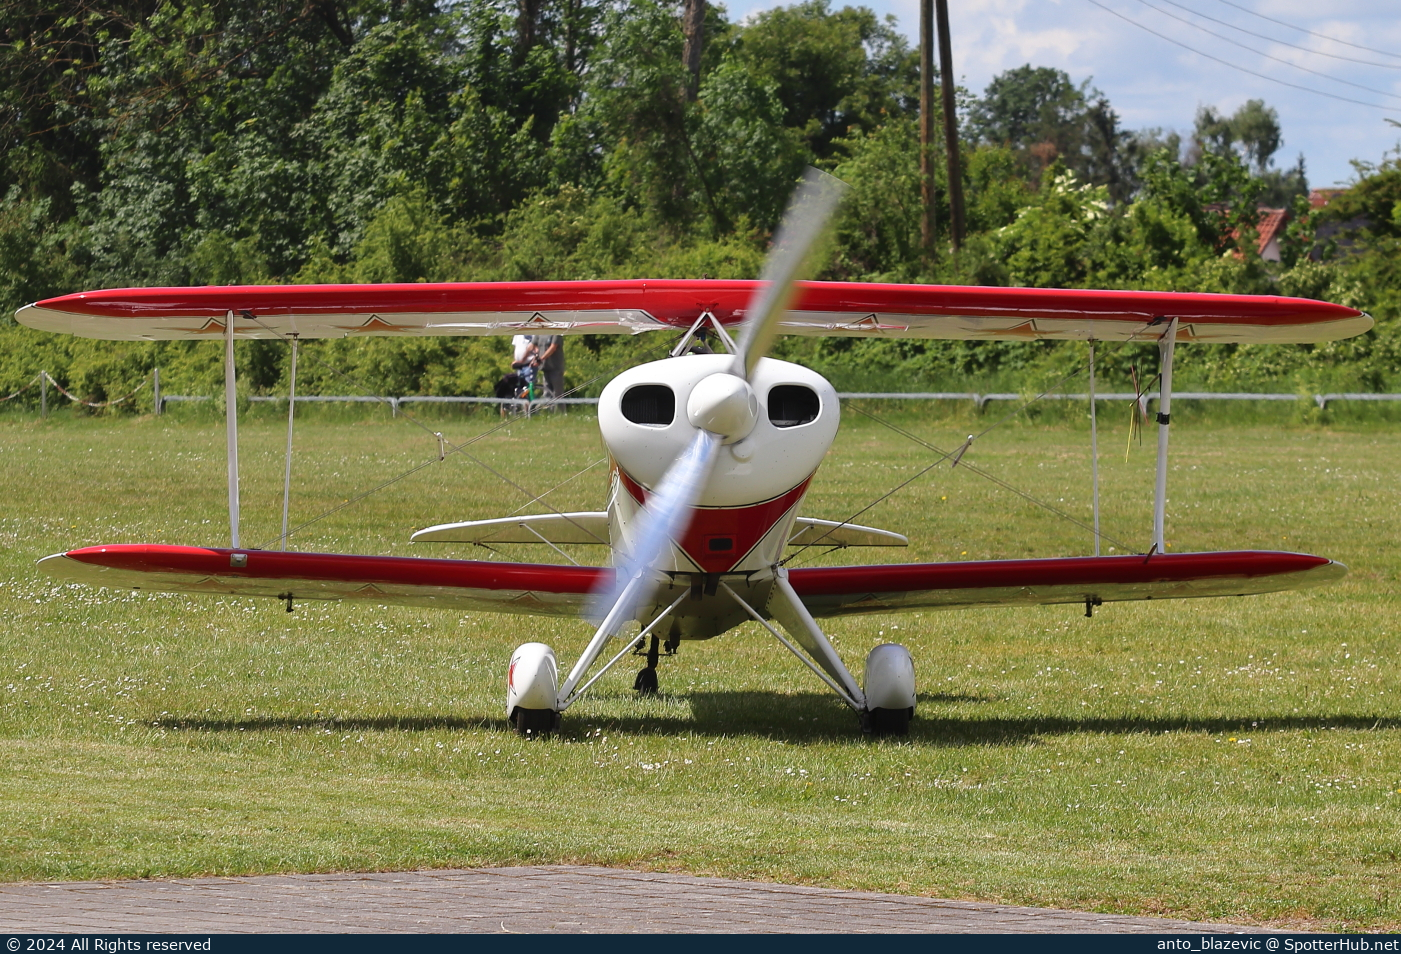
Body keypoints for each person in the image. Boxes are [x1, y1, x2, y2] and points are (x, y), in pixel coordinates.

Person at [534, 334, 565, 405]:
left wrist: (541, 359)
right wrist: (536, 354)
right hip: (545, 367)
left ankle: (562, 413)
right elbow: (534, 344)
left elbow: (553, 347)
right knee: (547, 393)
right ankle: (549, 413)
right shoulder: (540, 332)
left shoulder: (556, 333)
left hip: (555, 367)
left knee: (558, 393)